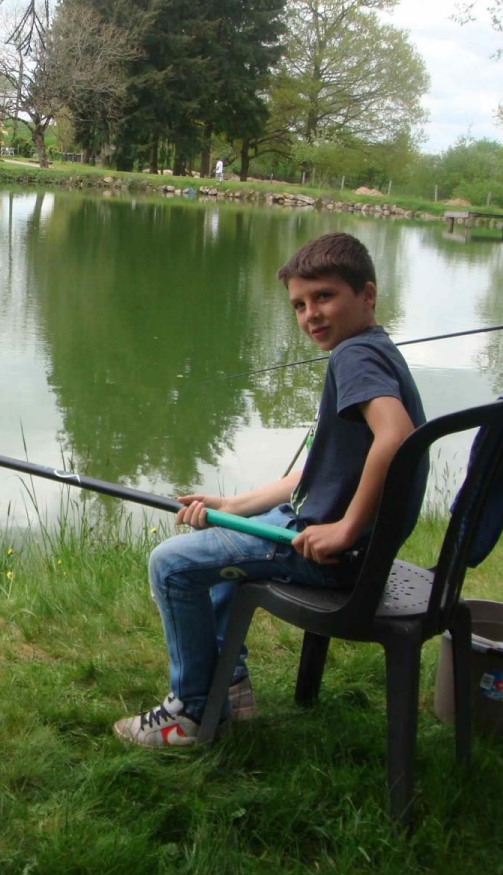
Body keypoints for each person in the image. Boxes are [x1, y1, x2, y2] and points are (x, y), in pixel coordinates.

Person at [114, 232, 427, 747]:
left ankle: (189, 714)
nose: (311, 315)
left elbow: (396, 438)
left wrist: (345, 529)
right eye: (300, 305)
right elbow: (315, 473)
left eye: (324, 297)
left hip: (334, 556)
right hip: (346, 545)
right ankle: (229, 689)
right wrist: (230, 505)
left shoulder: (354, 359)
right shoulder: (373, 348)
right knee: (209, 543)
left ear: (366, 295)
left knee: (170, 565)